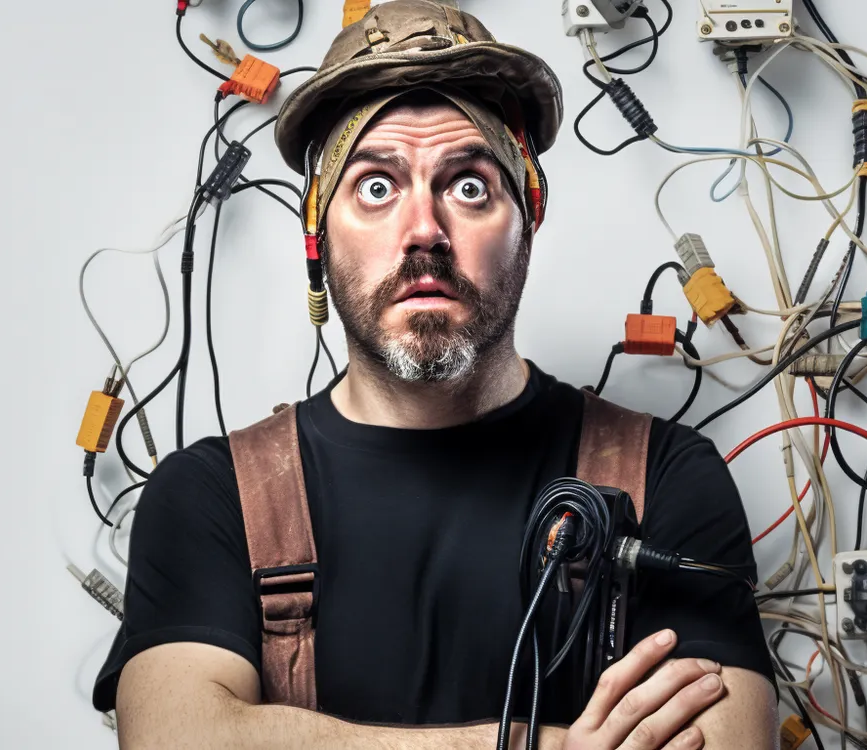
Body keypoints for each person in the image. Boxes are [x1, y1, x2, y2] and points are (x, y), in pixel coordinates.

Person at [94, 2, 777, 747]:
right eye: (376, 187)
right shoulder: (212, 496)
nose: (424, 230)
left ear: (528, 218)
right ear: (316, 231)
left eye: (469, 186)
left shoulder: (666, 480)